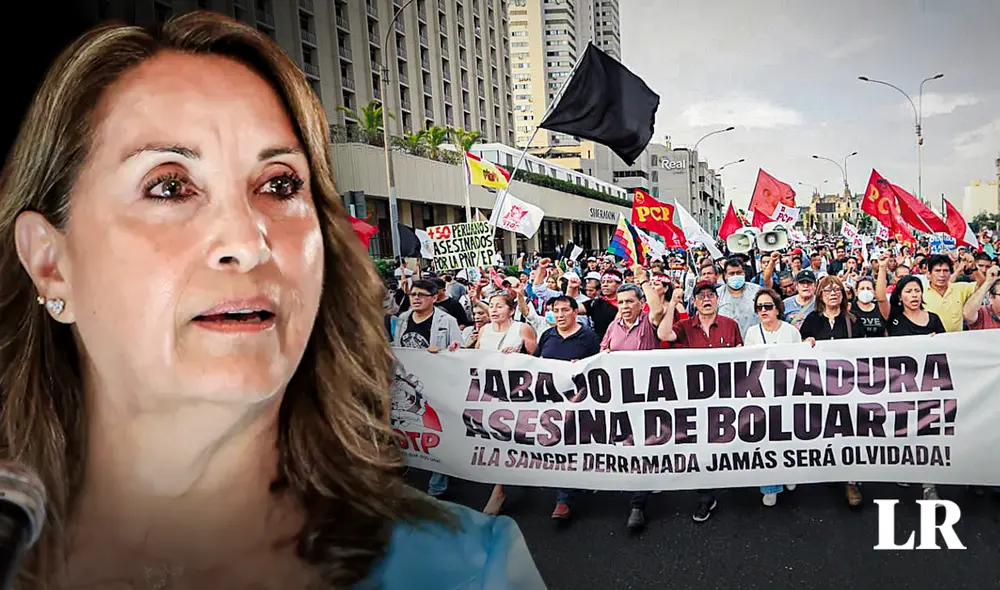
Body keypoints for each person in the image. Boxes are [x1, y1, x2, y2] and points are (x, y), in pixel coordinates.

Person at [0, 12, 545, 590]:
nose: (246, 240)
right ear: (51, 264)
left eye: (280, 184)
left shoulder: (467, 572)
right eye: (169, 185)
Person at [657, 281, 743, 523]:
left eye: (711, 295)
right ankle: (706, 495)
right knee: (700, 445)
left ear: (717, 300)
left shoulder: (730, 325)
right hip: (694, 397)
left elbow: (742, 357)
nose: (706, 299)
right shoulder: (684, 326)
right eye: (701, 296)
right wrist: (672, 304)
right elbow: (663, 334)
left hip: (725, 395)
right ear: (694, 302)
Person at [599, 271, 664, 531]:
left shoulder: (649, 322)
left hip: (647, 395)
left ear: (640, 303)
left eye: (629, 301)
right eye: (621, 302)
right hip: (620, 397)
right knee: (628, 443)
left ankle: (637, 504)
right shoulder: (613, 327)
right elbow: (602, 354)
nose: (625, 306)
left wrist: (643, 280)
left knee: (644, 444)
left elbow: (658, 307)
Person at [875, 272, 946, 501]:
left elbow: (948, 350)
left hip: (928, 386)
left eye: (917, 290)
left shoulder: (933, 319)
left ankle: (928, 485)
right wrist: (883, 268)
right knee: (905, 429)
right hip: (901, 386)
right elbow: (880, 298)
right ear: (900, 296)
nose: (914, 295)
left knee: (928, 432)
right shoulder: (894, 318)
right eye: (909, 291)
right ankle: (906, 468)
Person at [800, 275, 865, 508]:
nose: (833, 293)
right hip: (819, 386)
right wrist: (806, 342)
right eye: (827, 290)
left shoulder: (852, 320)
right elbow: (799, 348)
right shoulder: (812, 320)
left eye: (837, 289)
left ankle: (851, 480)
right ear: (820, 295)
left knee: (848, 430)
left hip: (848, 385)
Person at [534, 296, 601, 521]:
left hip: (577, 401)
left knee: (569, 444)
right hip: (549, 401)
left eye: (564, 310)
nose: (560, 315)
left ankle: (564, 499)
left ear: (575, 312)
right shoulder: (547, 335)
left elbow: (597, 367)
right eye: (556, 311)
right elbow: (535, 363)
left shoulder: (588, 337)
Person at [475, 291, 538, 515]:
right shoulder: (483, 330)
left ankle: (498, 491)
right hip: (488, 391)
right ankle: (515, 472)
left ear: (511, 310)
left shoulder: (521, 329)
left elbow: (536, 357)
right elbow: (473, 359)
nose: (493, 310)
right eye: (491, 305)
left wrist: (518, 356)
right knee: (495, 437)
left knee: (507, 435)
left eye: (499, 306)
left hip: (515, 392)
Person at [742, 289, 801, 507]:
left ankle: (790, 475)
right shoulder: (752, 332)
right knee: (766, 441)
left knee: (788, 437)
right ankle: (770, 486)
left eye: (768, 306)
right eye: (759, 307)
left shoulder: (791, 331)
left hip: (787, 393)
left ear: (777, 308)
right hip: (761, 395)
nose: (764, 311)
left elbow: (800, 360)